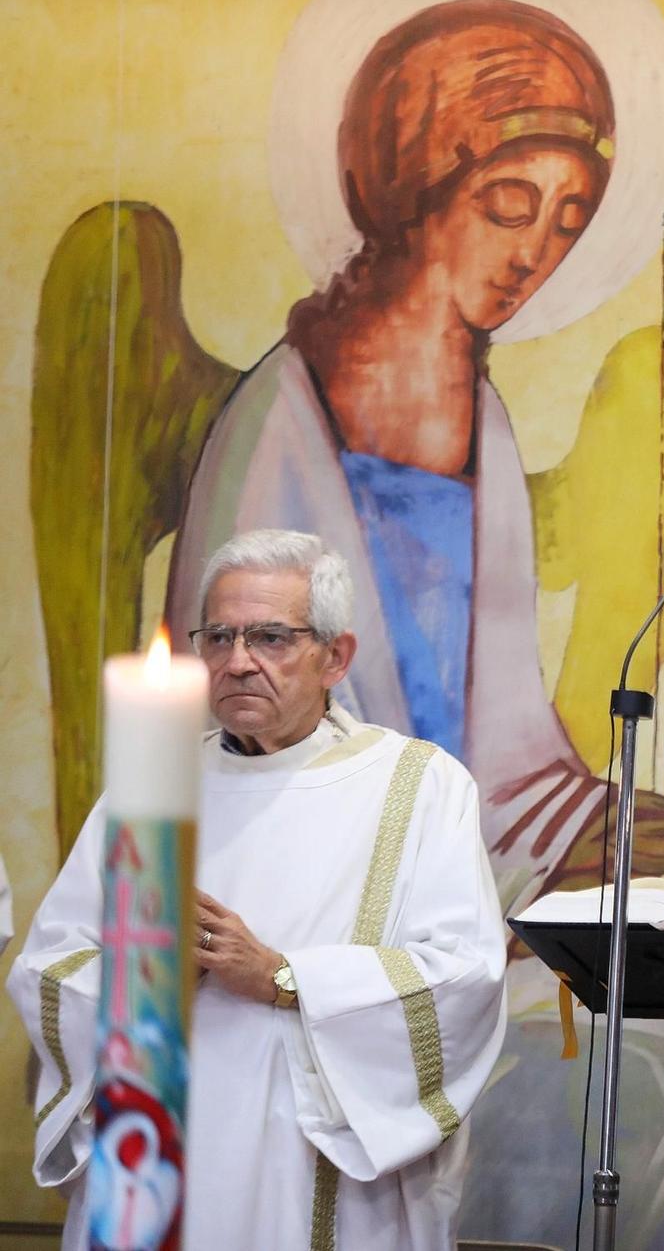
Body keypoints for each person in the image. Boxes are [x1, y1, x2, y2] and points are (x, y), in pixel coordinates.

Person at [166, 0, 626, 911]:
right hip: (296, 835)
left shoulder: (484, 418)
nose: (536, 251)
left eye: (569, 219)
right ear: (419, 191)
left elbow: (504, 723)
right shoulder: (283, 414)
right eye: (509, 204)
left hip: (454, 828)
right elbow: (230, 680)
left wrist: (586, 823)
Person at [9, 529, 508, 1251]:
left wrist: (282, 975)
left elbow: (463, 976)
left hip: (314, 1172)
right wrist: (144, 979)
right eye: (218, 636)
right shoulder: (149, 787)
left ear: (335, 656)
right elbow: (47, 969)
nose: (238, 661)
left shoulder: (419, 787)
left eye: (270, 637)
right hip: (158, 1151)